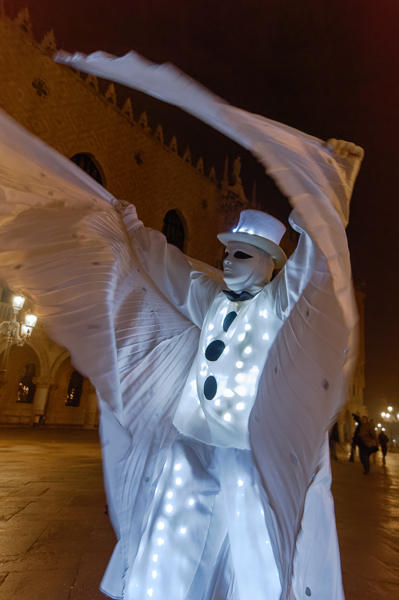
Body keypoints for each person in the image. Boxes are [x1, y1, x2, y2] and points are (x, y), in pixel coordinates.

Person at [0, 49, 365, 600]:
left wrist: (323, 199)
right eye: (229, 252)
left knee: (256, 557)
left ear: (270, 263)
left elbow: (317, 266)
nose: (229, 262)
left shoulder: (279, 305)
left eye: (243, 256)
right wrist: (128, 227)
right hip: (191, 440)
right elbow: (166, 267)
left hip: (246, 449)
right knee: (164, 547)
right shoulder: (211, 297)